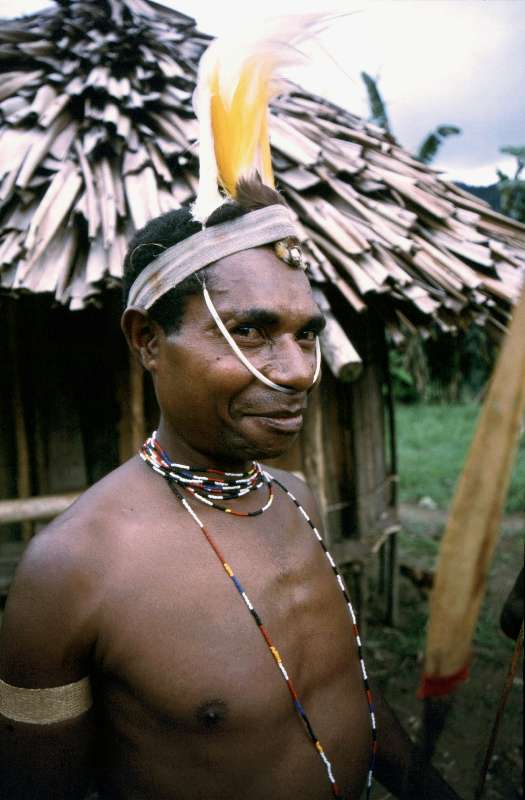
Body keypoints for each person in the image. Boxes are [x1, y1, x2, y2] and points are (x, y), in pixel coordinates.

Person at [0, 19, 461, 800]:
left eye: (305, 334)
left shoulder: (296, 500)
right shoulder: (69, 573)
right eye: (248, 331)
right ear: (148, 341)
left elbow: (343, 697)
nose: (297, 372)